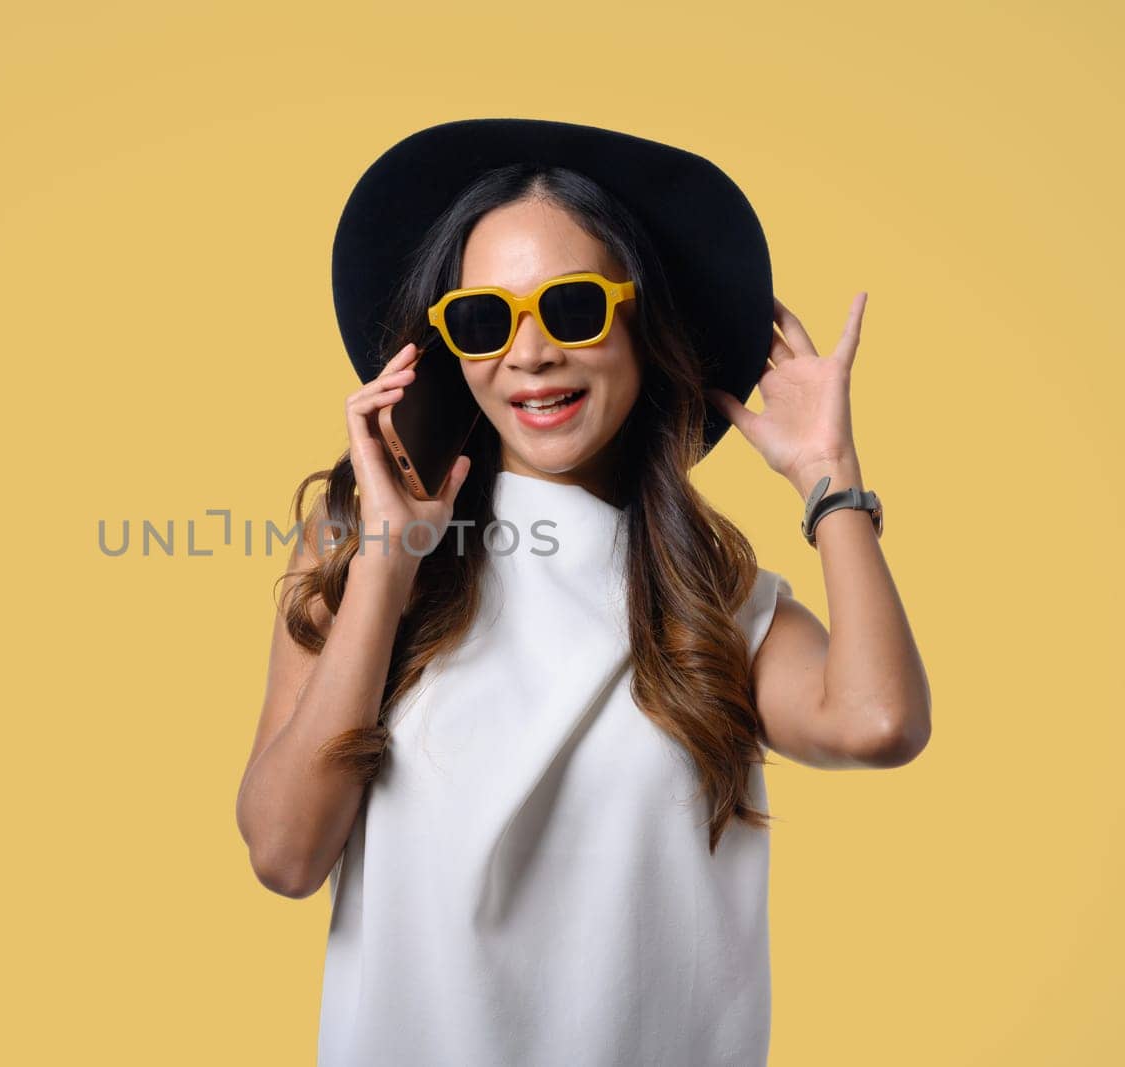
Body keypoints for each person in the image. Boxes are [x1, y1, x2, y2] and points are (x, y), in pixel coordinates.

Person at [234, 119, 932, 1066]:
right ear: (449, 347)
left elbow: (879, 721)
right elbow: (285, 855)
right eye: (485, 319)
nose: (529, 354)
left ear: (638, 325)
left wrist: (828, 479)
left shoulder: (715, 603)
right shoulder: (362, 561)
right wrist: (388, 565)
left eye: (571, 309)